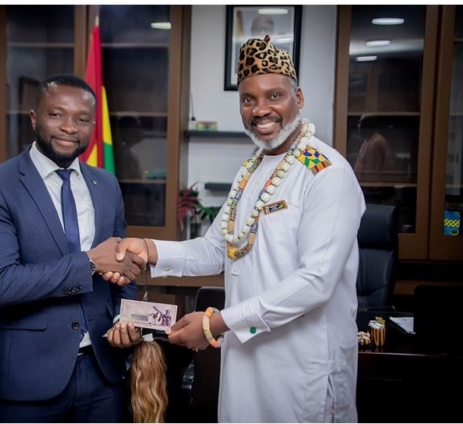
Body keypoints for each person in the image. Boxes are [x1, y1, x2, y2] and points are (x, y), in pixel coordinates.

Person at [108, 35, 365, 422]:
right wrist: (149, 249)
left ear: (299, 98)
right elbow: (217, 248)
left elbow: (315, 282)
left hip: (302, 368)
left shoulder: (326, 173)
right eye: (248, 99)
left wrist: (215, 324)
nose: (260, 110)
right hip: (244, 361)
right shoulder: (251, 170)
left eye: (274, 96)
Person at [0, 73, 145, 423]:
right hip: (28, 375)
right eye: (56, 114)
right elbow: (0, 284)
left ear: (92, 126)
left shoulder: (106, 184)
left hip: (103, 371)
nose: (69, 127)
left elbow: (123, 272)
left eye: (82, 119)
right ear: (34, 118)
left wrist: (125, 319)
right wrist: (89, 262)